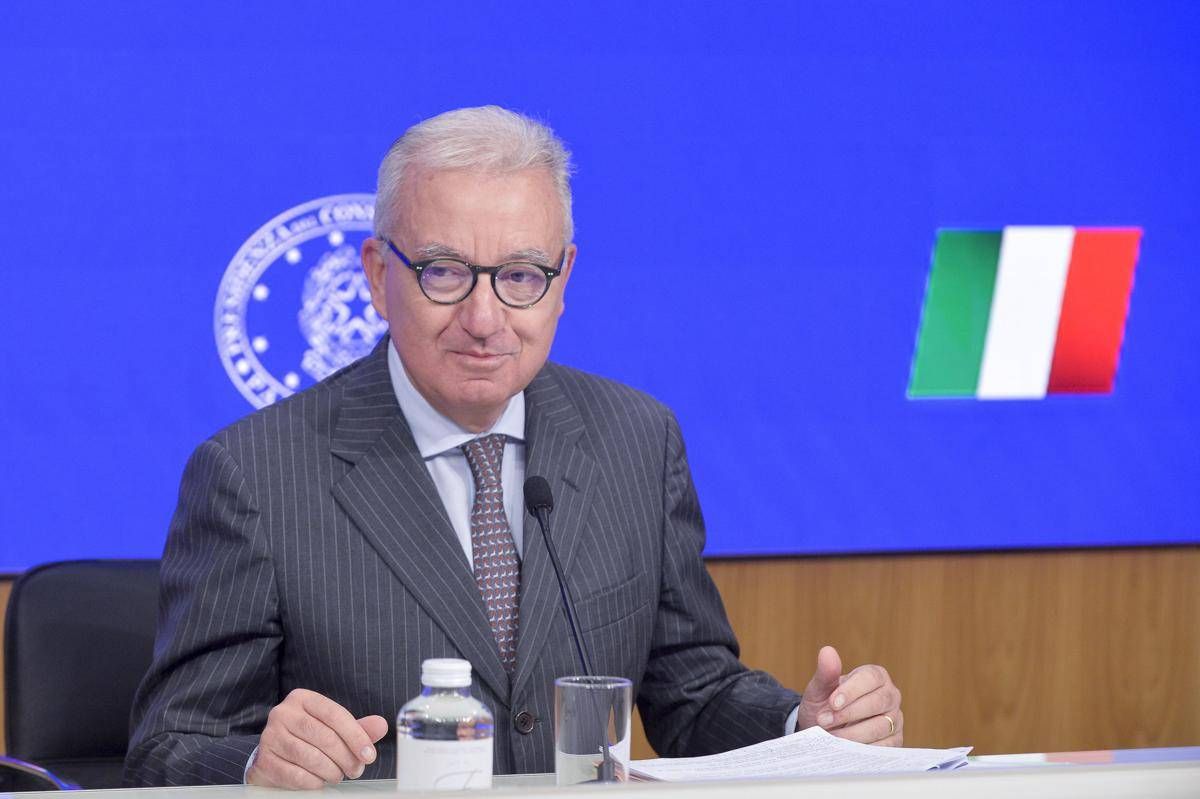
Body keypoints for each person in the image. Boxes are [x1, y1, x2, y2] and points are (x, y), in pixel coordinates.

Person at [125, 106, 902, 788]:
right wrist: (259, 761)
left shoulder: (637, 439)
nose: (484, 317)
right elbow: (169, 744)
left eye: (521, 275)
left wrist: (805, 726)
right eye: (444, 272)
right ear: (377, 275)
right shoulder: (255, 475)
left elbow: (692, 693)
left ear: (563, 280)